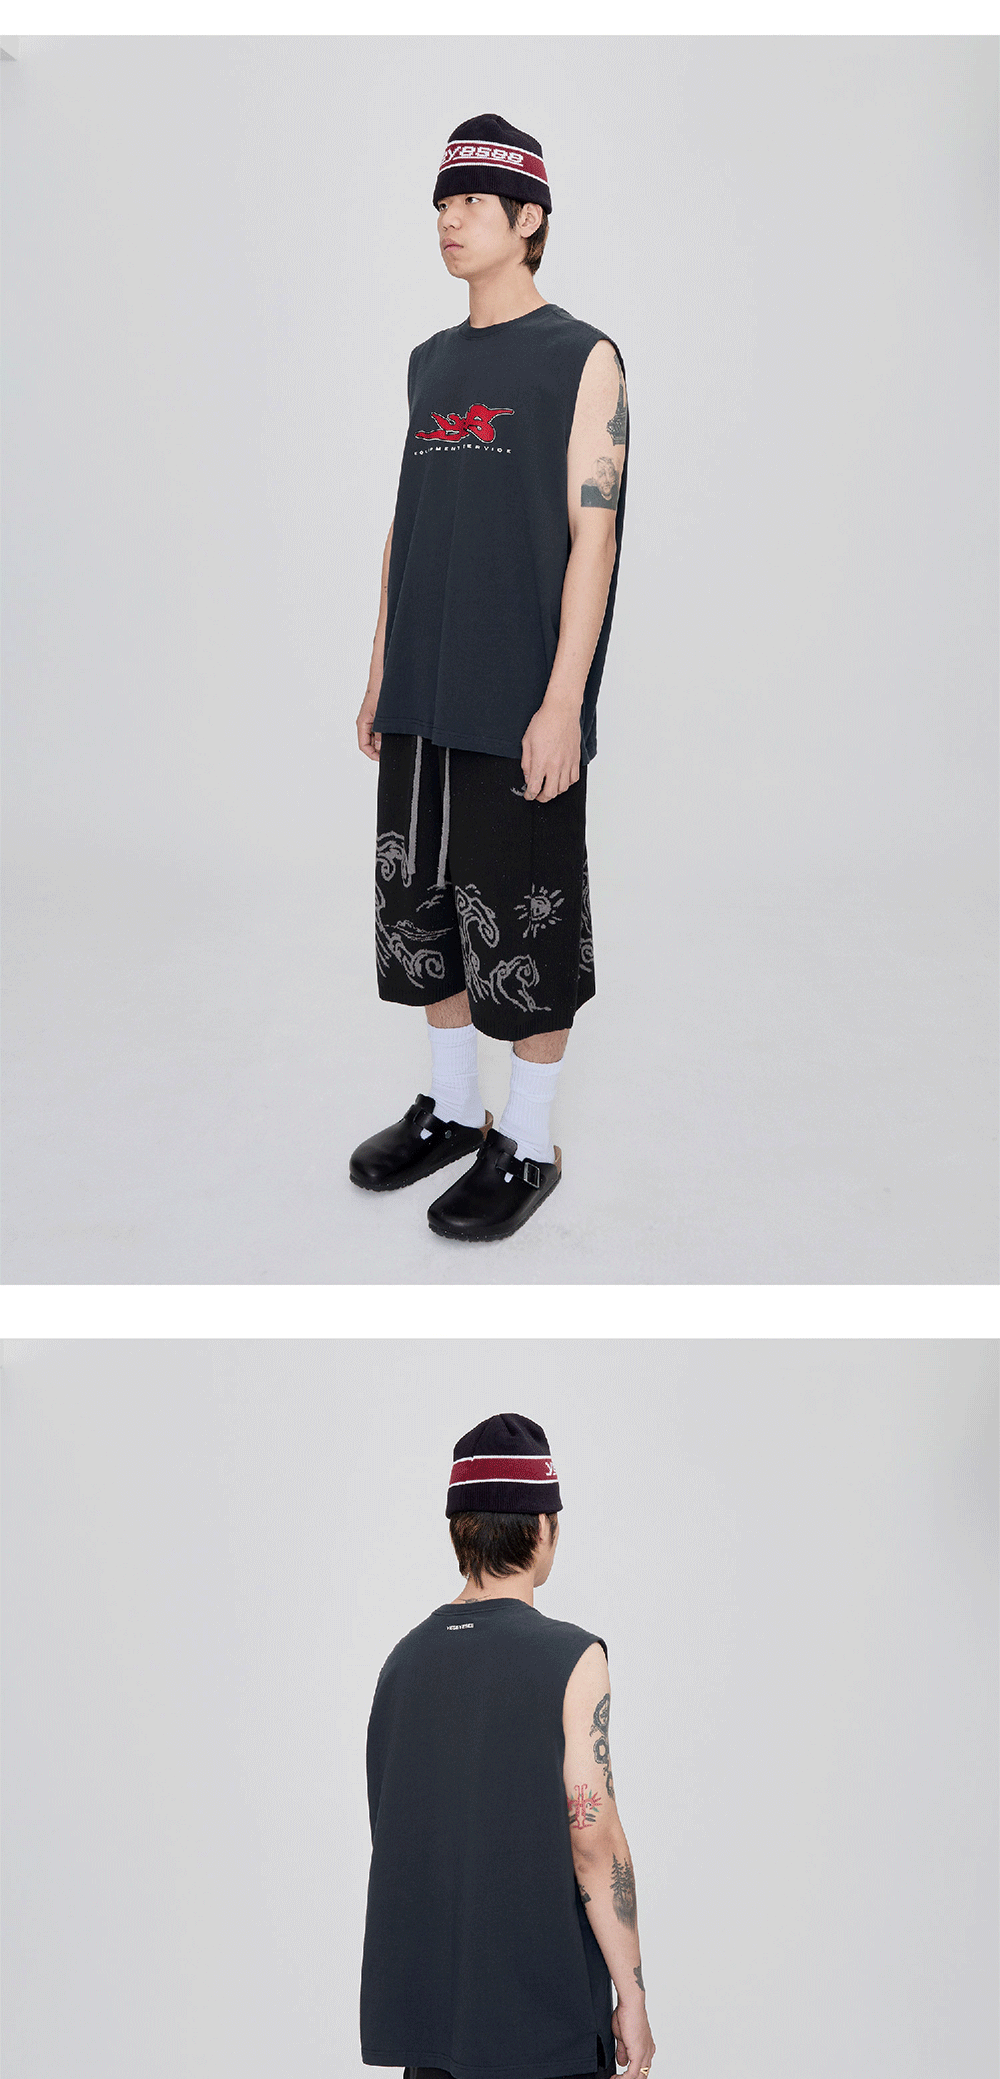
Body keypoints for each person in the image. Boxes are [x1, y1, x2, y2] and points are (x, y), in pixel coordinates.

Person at [361, 1403, 654, 2079]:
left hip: (432, 2004)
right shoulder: (570, 1655)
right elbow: (592, 1831)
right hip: (533, 2001)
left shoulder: (401, 1660)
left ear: (458, 1530)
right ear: (543, 1528)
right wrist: (631, 1989)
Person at [350, 114, 628, 1243]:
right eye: (441, 202)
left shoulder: (582, 356)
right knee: (421, 910)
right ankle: (457, 1107)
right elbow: (406, 520)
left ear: (529, 217)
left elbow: (594, 533)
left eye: (470, 201)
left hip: (518, 698)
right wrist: (380, 663)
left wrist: (563, 701)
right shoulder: (430, 360)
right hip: (422, 686)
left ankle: (530, 1135)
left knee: (525, 922)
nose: (448, 220)